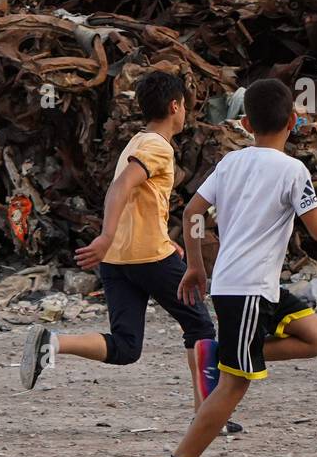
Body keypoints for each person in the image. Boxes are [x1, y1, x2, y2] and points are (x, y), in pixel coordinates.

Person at [149, 78, 317, 457]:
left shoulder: (229, 162)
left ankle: (219, 354)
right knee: (234, 386)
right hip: (246, 290)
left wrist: (196, 267)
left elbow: (191, 211)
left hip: (256, 287)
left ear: (244, 123)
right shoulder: (293, 170)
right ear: (294, 122)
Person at [19, 70, 239, 431]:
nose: (186, 112)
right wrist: (106, 235)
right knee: (199, 325)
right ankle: (208, 416)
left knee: (126, 346)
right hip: (147, 258)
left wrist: (149, 240)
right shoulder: (157, 146)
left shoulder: (137, 141)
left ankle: (52, 342)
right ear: (174, 106)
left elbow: (138, 200)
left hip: (119, 261)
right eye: (185, 105)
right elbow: (121, 188)